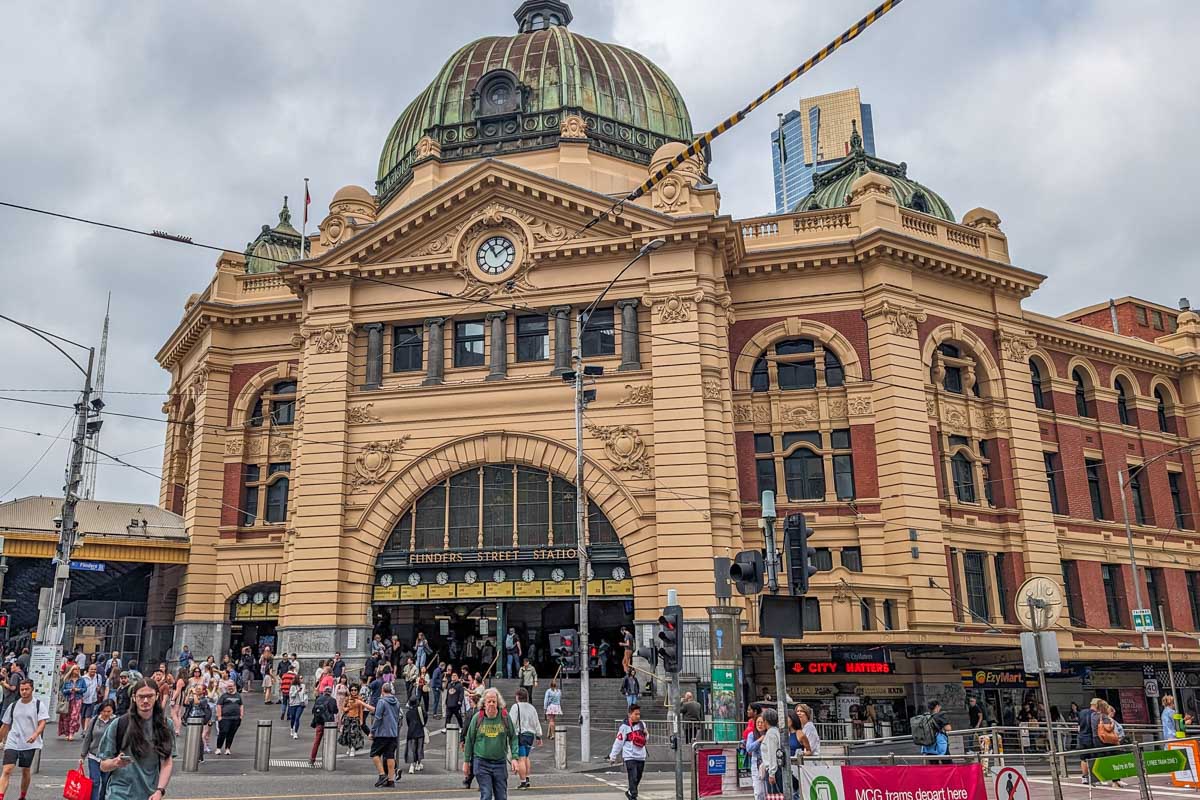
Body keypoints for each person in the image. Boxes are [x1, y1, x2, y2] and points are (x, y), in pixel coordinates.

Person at [98, 678, 174, 800]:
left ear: (157, 696)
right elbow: (103, 765)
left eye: (150, 696)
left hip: (149, 793)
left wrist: (160, 790)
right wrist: (115, 762)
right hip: (119, 793)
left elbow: (167, 762)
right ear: (134, 697)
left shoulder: (165, 725)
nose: (145, 700)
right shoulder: (119, 724)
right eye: (141, 696)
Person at [464, 687, 519, 800]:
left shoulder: (504, 717)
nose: (492, 704)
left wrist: (514, 757)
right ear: (484, 703)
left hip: (500, 763)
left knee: (501, 796)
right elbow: (469, 740)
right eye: (489, 701)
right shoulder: (477, 718)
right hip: (481, 762)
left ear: (498, 702)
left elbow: (513, 737)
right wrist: (466, 761)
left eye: (494, 701)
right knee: (487, 794)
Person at [0, 679, 49, 800]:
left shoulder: (38, 705)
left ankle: (22, 796)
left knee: (25, 771)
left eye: (27, 689)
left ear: (32, 689)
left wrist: (36, 734)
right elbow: (5, 725)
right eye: (22, 689)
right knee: (7, 770)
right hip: (13, 741)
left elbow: (42, 722)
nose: (24, 692)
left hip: (29, 743)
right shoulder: (14, 705)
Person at [79, 700, 117, 800]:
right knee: (95, 781)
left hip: (108, 757)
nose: (106, 714)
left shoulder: (116, 722)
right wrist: (83, 755)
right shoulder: (95, 720)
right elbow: (88, 737)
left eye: (109, 711)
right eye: (104, 711)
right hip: (94, 755)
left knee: (105, 782)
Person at [366, 682, 402, 788]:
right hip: (393, 733)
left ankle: (382, 775)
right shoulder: (397, 701)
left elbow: (378, 718)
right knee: (390, 755)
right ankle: (391, 780)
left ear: (382, 690)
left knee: (374, 753)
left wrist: (372, 731)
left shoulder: (382, 702)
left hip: (382, 733)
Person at [609, 702, 648, 800]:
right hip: (629, 756)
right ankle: (633, 795)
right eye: (636, 714)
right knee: (633, 776)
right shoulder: (624, 727)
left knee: (638, 777)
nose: (638, 716)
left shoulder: (642, 724)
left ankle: (630, 791)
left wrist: (646, 734)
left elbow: (645, 739)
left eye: (639, 714)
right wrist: (613, 756)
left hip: (641, 755)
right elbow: (619, 742)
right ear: (630, 714)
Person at [511, 687, 543, 790]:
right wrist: (539, 736)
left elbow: (512, 722)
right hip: (530, 736)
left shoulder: (516, 707)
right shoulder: (532, 708)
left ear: (518, 697)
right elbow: (536, 722)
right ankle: (527, 778)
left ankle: (523, 782)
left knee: (521, 758)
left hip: (520, 735)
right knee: (526, 757)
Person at [309, 684, 338, 767]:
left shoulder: (318, 699)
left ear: (324, 692)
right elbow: (335, 711)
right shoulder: (332, 700)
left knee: (316, 741)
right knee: (329, 742)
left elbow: (314, 710)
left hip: (319, 722)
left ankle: (312, 759)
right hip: (329, 724)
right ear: (330, 692)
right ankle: (328, 759)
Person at [183, 684, 214, 756]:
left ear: (203, 691)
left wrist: (194, 693)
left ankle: (200, 755)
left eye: (199, 689)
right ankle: (192, 753)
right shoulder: (193, 697)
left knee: (199, 738)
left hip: (199, 719)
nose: (197, 690)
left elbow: (197, 703)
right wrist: (188, 693)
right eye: (196, 688)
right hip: (191, 718)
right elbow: (186, 703)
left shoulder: (204, 699)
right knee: (191, 737)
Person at [215, 680, 243, 755]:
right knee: (223, 733)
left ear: (234, 686)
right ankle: (218, 748)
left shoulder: (238, 695)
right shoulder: (224, 696)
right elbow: (219, 706)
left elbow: (241, 705)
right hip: (225, 718)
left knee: (231, 734)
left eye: (231, 686)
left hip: (236, 718)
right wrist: (219, 716)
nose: (230, 688)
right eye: (229, 686)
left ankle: (228, 748)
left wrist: (241, 715)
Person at [339, 683, 367, 757]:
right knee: (347, 734)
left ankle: (353, 748)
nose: (353, 691)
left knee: (354, 734)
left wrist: (361, 720)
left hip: (356, 718)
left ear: (357, 691)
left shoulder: (360, 699)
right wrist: (347, 708)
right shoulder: (347, 698)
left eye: (355, 690)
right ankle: (349, 747)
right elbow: (343, 708)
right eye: (352, 690)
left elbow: (361, 710)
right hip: (348, 718)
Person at [59, 664, 86, 741]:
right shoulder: (67, 680)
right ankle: (67, 733)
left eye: (78, 669)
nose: (77, 671)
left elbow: (85, 689)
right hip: (68, 699)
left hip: (77, 699)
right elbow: (63, 690)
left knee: (74, 716)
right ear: (72, 670)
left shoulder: (81, 680)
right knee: (66, 717)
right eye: (75, 669)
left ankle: (71, 733)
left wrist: (78, 690)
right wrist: (69, 690)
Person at [404, 697, 426, 775]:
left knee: (412, 749)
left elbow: (408, 722)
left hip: (411, 732)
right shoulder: (421, 710)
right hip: (420, 731)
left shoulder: (408, 713)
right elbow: (425, 719)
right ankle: (418, 763)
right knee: (419, 748)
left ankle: (412, 765)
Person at [287, 674, 308, 739]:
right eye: (300, 678)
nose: (302, 679)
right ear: (297, 679)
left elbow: (304, 694)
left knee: (297, 718)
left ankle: (295, 732)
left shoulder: (303, 686)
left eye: (302, 678)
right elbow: (291, 696)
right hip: (293, 704)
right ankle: (292, 728)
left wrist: (305, 693)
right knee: (292, 717)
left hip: (300, 704)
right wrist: (297, 691)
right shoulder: (293, 686)